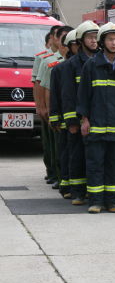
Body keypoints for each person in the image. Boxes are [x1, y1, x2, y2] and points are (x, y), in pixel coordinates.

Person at [77, 22, 115, 214]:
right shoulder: (91, 65)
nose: (114, 43)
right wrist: (84, 119)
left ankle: (112, 202)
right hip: (96, 125)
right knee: (95, 165)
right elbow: (83, 95)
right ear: (103, 42)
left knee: (114, 165)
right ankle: (95, 201)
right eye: (110, 39)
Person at [61, 20, 100, 205]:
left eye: (96, 37)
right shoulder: (72, 64)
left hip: (99, 119)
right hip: (78, 119)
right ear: (81, 40)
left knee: (96, 159)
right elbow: (68, 96)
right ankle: (77, 192)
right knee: (77, 156)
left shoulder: (102, 60)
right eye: (90, 37)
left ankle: (94, 191)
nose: (94, 41)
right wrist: (72, 122)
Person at [36, 26, 72, 190]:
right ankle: (56, 173)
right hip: (57, 110)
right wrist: (43, 108)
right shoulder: (50, 62)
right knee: (55, 145)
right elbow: (42, 86)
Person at [48, 29, 76, 199]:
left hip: (77, 120)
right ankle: (65, 183)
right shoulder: (59, 69)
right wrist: (54, 117)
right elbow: (55, 95)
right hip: (64, 120)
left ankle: (72, 183)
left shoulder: (86, 67)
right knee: (65, 153)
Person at [32, 29, 56, 184]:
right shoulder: (44, 59)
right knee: (50, 144)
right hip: (50, 108)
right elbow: (39, 83)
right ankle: (52, 171)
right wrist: (41, 106)